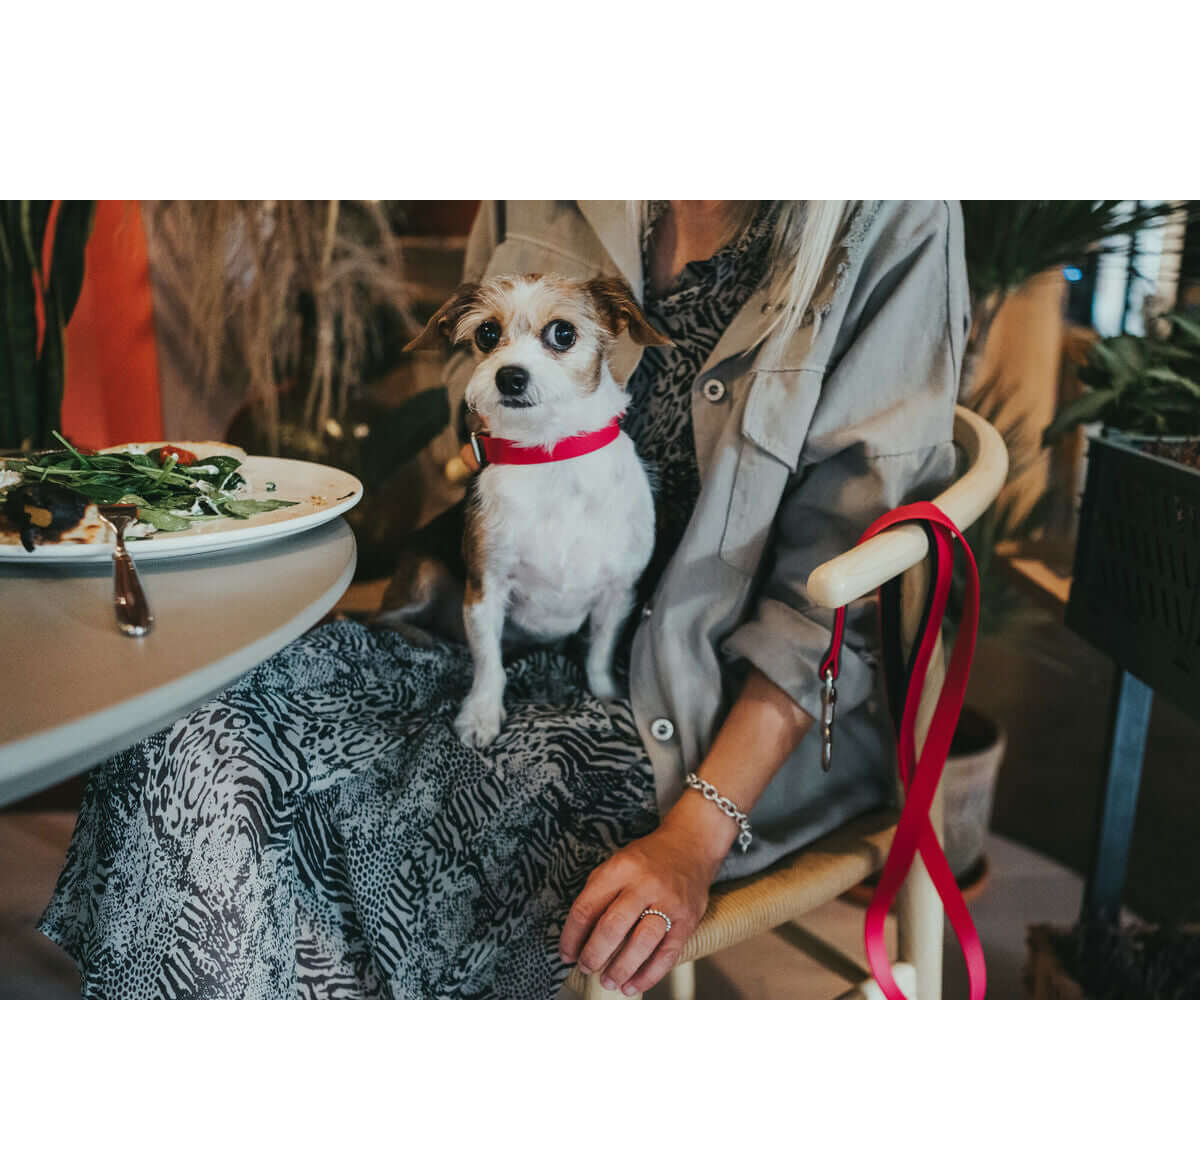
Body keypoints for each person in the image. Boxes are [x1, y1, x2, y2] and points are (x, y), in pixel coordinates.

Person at [40, 200, 968, 999]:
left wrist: (695, 833)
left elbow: (835, 590)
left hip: (698, 716)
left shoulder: (890, 215)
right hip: (485, 626)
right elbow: (475, 371)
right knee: (184, 729)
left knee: (394, 846)